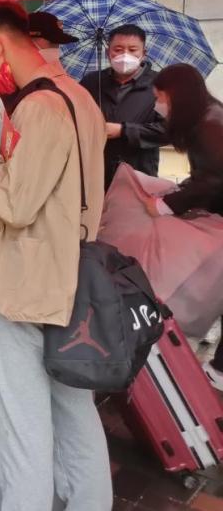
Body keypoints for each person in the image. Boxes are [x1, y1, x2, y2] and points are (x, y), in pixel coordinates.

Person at [0, 1, 111, 510]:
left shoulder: (38, 106)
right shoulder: (80, 99)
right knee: (75, 416)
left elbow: (17, 206)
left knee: (20, 431)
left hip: (24, 287)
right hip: (70, 280)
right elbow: (44, 194)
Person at [143, 65, 223, 388]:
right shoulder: (208, 117)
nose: (157, 106)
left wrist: (166, 205)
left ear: (177, 96)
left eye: (160, 98)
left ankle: (219, 372)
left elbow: (213, 179)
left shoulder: (210, 125)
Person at [80, 24, 167, 189]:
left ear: (143, 53)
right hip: (96, 173)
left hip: (139, 175)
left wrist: (123, 130)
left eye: (133, 50)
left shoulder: (160, 85)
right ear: (108, 53)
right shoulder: (91, 82)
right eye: (118, 49)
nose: (125, 55)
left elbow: (168, 131)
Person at [29, 11, 78, 77]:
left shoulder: (60, 74)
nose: (56, 48)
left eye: (58, 42)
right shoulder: (19, 75)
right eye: (52, 41)